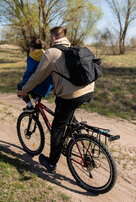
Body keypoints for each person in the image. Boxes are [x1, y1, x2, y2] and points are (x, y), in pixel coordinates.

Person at [17, 27, 94, 174]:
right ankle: (76, 131)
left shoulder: (51, 53)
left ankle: (51, 163)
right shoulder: (73, 49)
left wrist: (24, 90)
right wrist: (55, 88)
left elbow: (37, 76)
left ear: (53, 38)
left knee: (57, 128)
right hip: (89, 91)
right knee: (64, 108)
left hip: (72, 96)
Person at [17, 38, 53, 111]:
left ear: (32, 49)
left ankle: (29, 106)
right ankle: (37, 103)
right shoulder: (46, 55)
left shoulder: (32, 57)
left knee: (20, 85)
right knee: (35, 86)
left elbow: (29, 73)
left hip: (38, 85)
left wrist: (24, 87)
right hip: (47, 86)